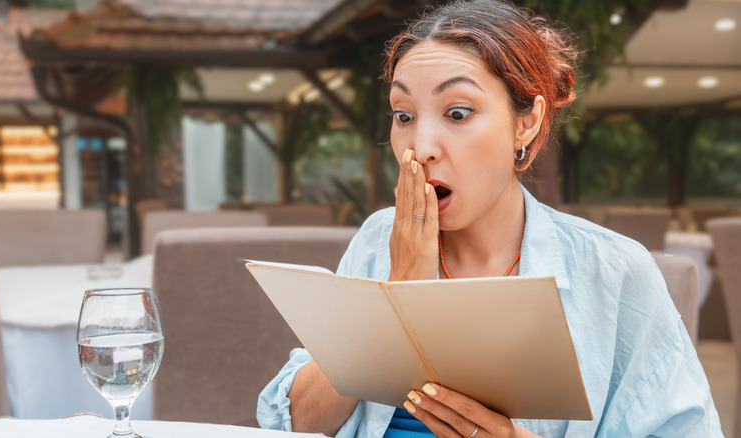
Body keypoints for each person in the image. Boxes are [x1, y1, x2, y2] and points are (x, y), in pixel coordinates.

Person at [257, 0, 723, 436]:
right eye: (403, 115)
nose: (421, 147)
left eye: (457, 112)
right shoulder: (381, 238)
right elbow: (294, 423)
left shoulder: (616, 269)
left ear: (527, 123)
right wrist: (393, 298)